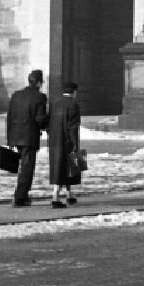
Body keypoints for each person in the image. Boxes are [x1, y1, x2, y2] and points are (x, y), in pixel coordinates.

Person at [5, 69, 49, 208]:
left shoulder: (16, 95)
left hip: (16, 135)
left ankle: (21, 195)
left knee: (22, 167)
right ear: (38, 83)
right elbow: (40, 119)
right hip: (29, 137)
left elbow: (9, 117)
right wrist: (47, 124)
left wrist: (9, 139)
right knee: (27, 168)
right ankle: (20, 197)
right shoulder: (40, 97)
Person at [47, 80, 81, 209]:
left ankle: (69, 194)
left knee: (58, 167)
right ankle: (55, 196)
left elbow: (48, 122)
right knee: (70, 167)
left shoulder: (54, 103)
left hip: (55, 140)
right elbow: (73, 127)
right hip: (67, 140)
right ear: (74, 92)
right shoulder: (74, 104)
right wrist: (74, 144)